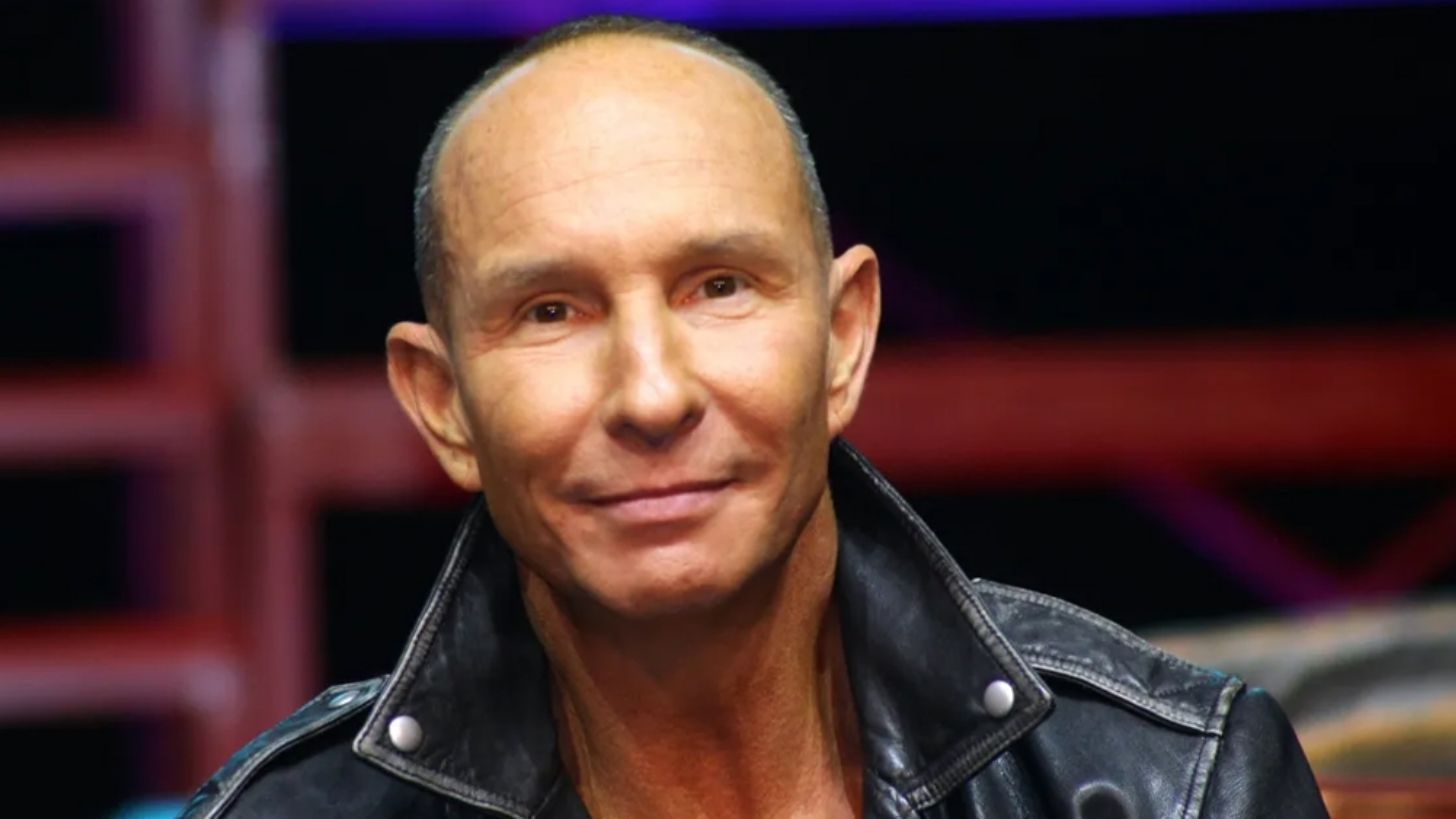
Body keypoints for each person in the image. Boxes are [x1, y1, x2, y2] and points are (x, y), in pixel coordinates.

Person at [183, 14, 1330, 819]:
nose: (651, 394)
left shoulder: (1167, 789)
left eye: (719, 286)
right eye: (551, 311)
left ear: (843, 339)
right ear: (442, 407)